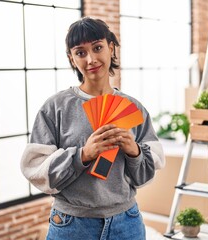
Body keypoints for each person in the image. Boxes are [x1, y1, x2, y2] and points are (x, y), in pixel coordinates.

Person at [20, 17, 165, 240]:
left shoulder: (133, 108)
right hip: (72, 224)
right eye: (80, 52)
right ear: (71, 58)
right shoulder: (55, 107)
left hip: (127, 222)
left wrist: (133, 150)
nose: (91, 59)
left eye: (97, 48)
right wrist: (83, 155)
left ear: (111, 48)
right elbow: (36, 171)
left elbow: (145, 176)